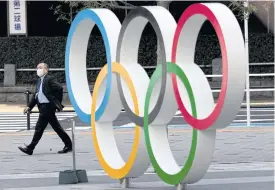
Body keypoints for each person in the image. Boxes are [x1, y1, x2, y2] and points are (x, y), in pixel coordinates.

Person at [18, 63, 72, 155]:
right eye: (37, 68)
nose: (38, 69)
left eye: (40, 68)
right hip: (43, 107)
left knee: (39, 128)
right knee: (56, 127)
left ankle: (30, 148)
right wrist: (29, 106)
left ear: (46, 70)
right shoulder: (39, 80)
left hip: (48, 107)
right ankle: (68, 145)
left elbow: (59, 88)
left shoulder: (49, 79)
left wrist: (56, 102)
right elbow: (36, 95)